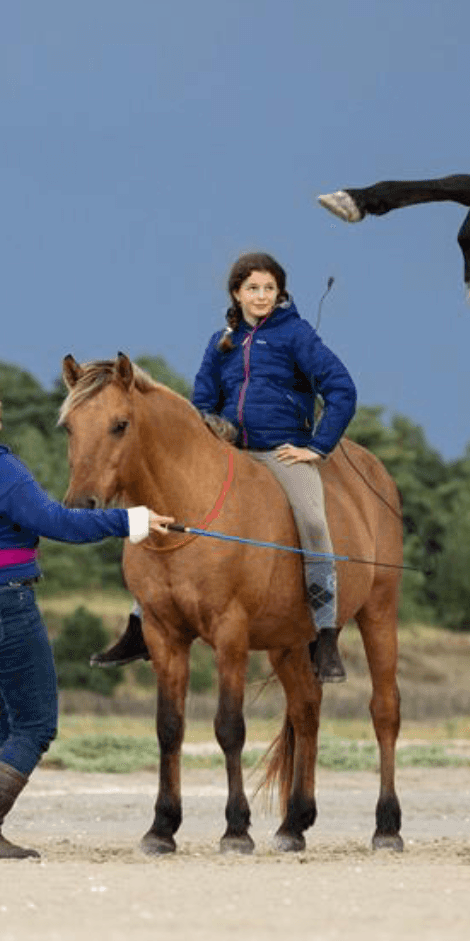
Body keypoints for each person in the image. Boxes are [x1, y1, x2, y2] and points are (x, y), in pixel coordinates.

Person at [0, 365, 172, 859]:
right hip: (1, 602)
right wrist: (131, 519)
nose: (1, 405)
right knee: (35, 724)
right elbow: (56, 522)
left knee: (11, 718)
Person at [91, 250, 357, 683]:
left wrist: (318, 446)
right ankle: (140, 624)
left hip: (280, 454)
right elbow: (201, 399)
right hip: (228, 453)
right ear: (237, 292)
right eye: (253, 288)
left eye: (270, 288)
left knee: (313, 521)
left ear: (280, 292)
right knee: (165, 514)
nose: (262, 296)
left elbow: (342, 389)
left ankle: (325, 634)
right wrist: (211, 429)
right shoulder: (222, 341)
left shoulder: (297, 336)